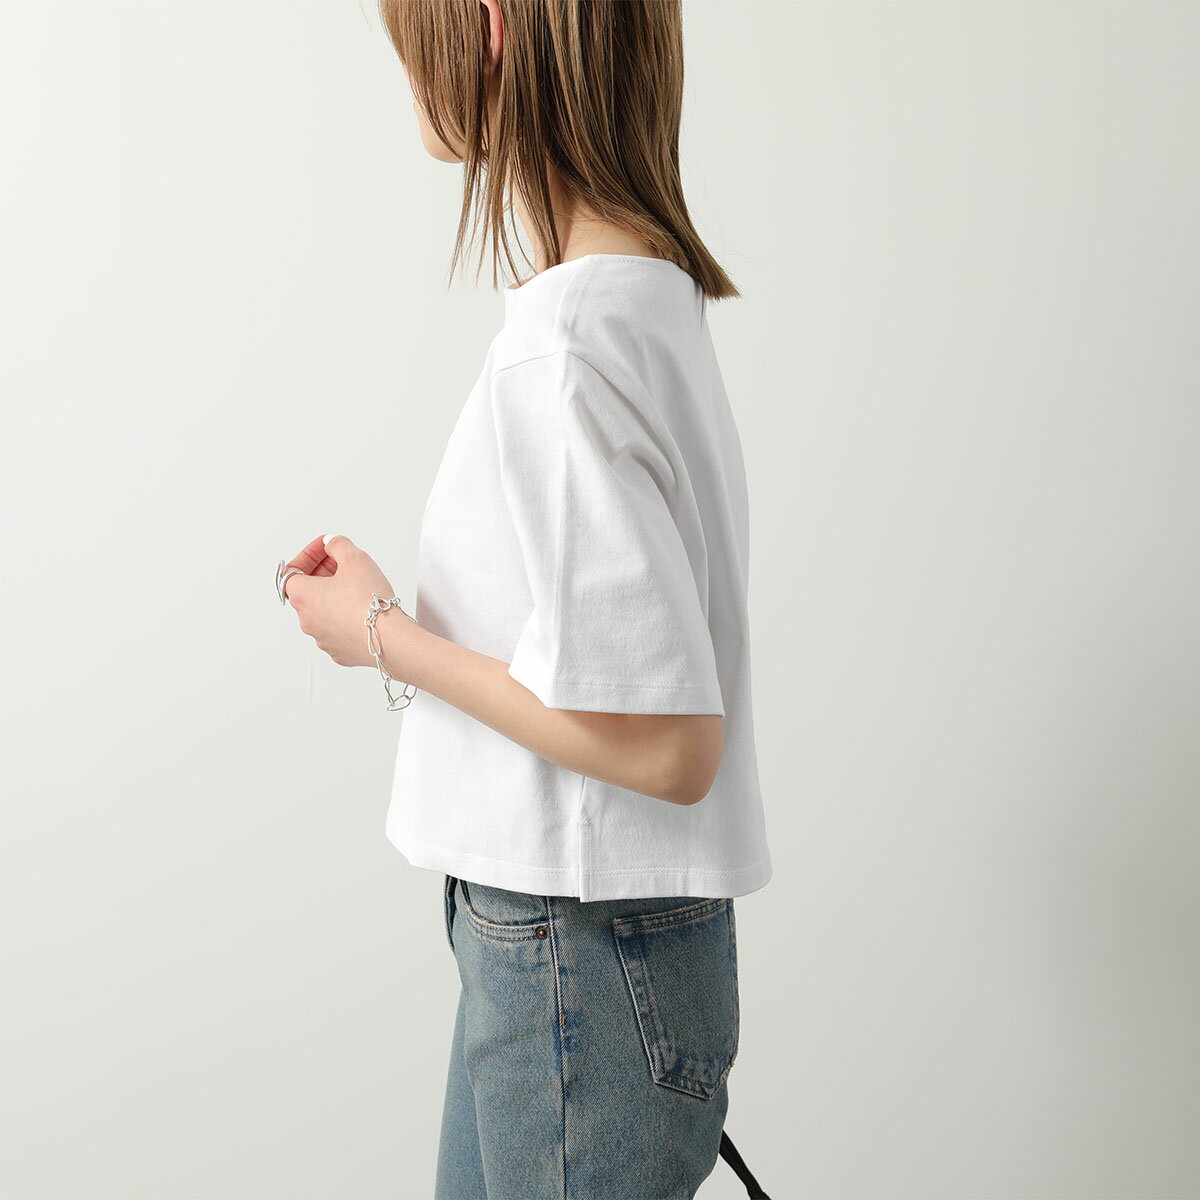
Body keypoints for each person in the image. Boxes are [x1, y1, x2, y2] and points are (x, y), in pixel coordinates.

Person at [279, 2, 772, 1196]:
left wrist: (383, 636)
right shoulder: (638, 301)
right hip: (583, 943)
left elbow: (668, 747)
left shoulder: (567, 348)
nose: (411, 74)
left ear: (491, 25)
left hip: (575, 951)